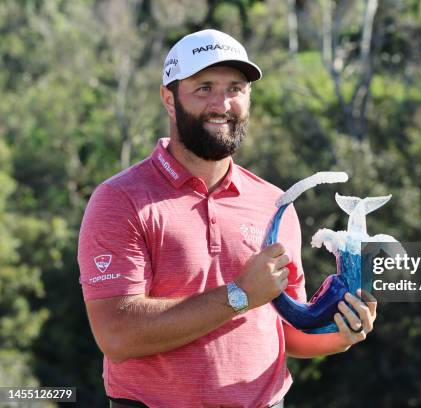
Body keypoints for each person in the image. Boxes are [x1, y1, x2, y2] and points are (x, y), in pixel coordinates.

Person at [78, 29, 377, 408]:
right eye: (203, 87)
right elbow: (116, 334)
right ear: (169, 99)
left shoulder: (274, 203)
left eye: (235, 88)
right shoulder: (120, 200)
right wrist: (239, 295)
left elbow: (289, 332)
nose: (222, 103)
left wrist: (343, 332)